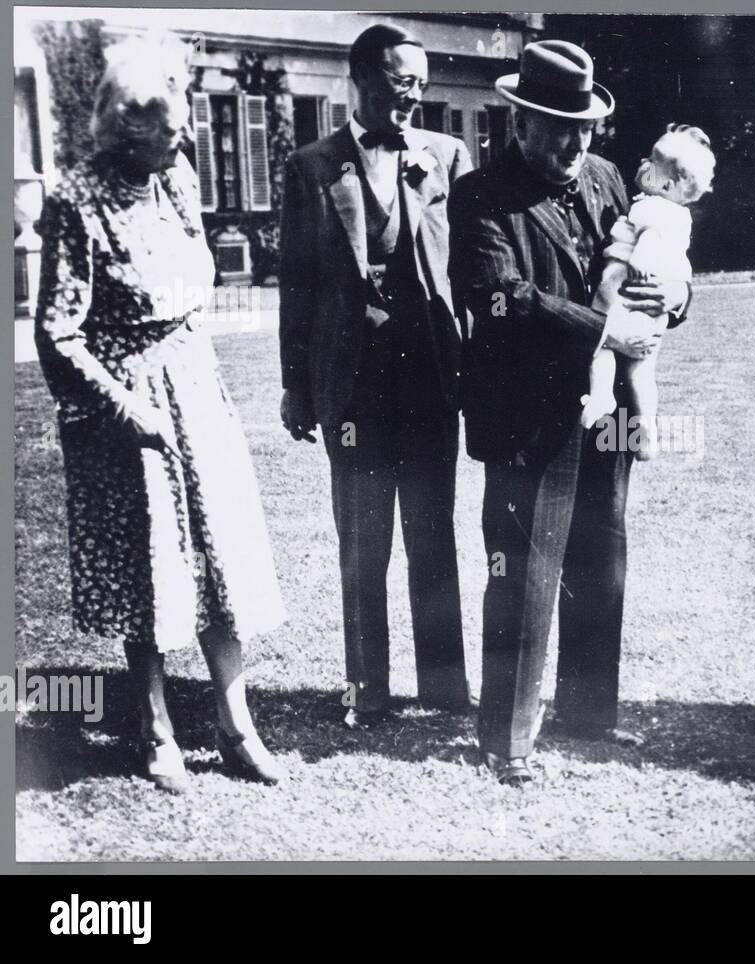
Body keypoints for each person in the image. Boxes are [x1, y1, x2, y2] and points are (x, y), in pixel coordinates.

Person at [33, 35, 286, 791]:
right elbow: (56, 333)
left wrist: (194, 385)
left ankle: (237, 727)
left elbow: (192, 280)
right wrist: (125, 409)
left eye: (183, 130)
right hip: (127, 409)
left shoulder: (175, 174)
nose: (180, 142)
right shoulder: (74, 201)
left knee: (219, 562)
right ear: (126, 125)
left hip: (195, 388)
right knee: (149, 570)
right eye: (168, 129)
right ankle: (154, 731)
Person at [449, 40, 689, 785]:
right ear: (517, 122)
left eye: (583, 128)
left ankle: (589, 714)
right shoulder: (480, 195)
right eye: (556, 127)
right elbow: (499, 297)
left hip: (607, 407)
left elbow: (657, 263)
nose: (572, 144)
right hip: (526, 415)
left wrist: (673, 301)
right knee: (522, 573)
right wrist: (605, 328)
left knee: (600, 557)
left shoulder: (611, 180)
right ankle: (508, 739)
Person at [279, 24, 475, 727]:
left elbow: (470, 266)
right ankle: (368, 687)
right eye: (401, 83)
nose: (413, 96)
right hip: (353, 387)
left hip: (429, 379)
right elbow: (297, 287)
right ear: (360, 81)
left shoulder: (447, 156)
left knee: (433, 536)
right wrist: (297, 386)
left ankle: (447, 686)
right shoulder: (311, 167)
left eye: (420, 84)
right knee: (362, 543)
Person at [581, 123, 715, 460]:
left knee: (603, 346)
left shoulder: (653, 208)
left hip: (626, 294)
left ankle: (601, 395)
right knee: (643, 371)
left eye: (652, 162)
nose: (643, 162)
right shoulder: (679, 213)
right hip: (651, 311)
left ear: (667, 183)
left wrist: (640, 257)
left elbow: (650, 237)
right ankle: (646, 432)